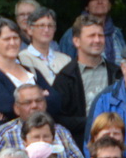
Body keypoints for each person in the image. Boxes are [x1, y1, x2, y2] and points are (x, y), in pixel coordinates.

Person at [0, 20, 50, 144]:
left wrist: (15, 109)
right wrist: (41, 96)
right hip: (7, 142)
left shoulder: (32, 71)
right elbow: (6, 105)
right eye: (7, 39)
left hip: (40, 137)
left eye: (15, 38)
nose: (12, 43)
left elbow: (57, 102)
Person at [49, 14, 119, 143]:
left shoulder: (117, 73)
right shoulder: (65, 78)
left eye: (100, 35)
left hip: (117, 143)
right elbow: (58, 119)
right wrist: (92, 121)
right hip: (81, 144)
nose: (97, 40)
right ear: (76, 41)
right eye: (91, 36)